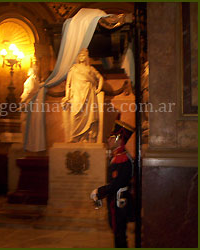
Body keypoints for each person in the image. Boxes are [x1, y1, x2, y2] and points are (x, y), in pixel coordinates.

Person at [90, 118, 134, 248]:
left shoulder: (122, 158)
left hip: (119, 202)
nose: (108, 140)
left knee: (119, 234)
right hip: (117, 200)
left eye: (111, 137)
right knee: (118, 233)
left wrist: (99, 192)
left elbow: (117, 184)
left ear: (119, 140)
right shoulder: (118, 156)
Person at [62, 48, 103, 143]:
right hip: (76, 95)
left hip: (88, 95)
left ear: (86, 57)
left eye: (83, 55)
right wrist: (67, 96)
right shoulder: (73, 69)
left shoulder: (90, 69)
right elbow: (68, 84)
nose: (81, 57)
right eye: (80, 55)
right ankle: (74, 137)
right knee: (75, 115)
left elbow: (100, 78)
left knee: (87, 116)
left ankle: (84, 137)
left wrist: (98, 89)